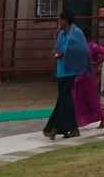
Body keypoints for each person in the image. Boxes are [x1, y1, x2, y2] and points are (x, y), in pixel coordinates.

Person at [44, 11, 89, 140]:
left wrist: (64, 54)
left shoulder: (76, 33)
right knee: (65, 100)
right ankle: (72, 128)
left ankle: (55, 128)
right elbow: (57, 49)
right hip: (61, 70)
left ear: (66, 20)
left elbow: (81, 50)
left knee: (64, 100)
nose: (59, 22)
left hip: (71, 71)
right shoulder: (61, 33)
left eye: (60, 19)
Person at [72, 30, 104, 129]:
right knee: (78, 98)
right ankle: (77, 121)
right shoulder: (78, 47)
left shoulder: (93, 46)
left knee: (92, 99)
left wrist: (97, 63)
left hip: (89, 77)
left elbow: (103, 52)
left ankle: (103, 119)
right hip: (78, 76)